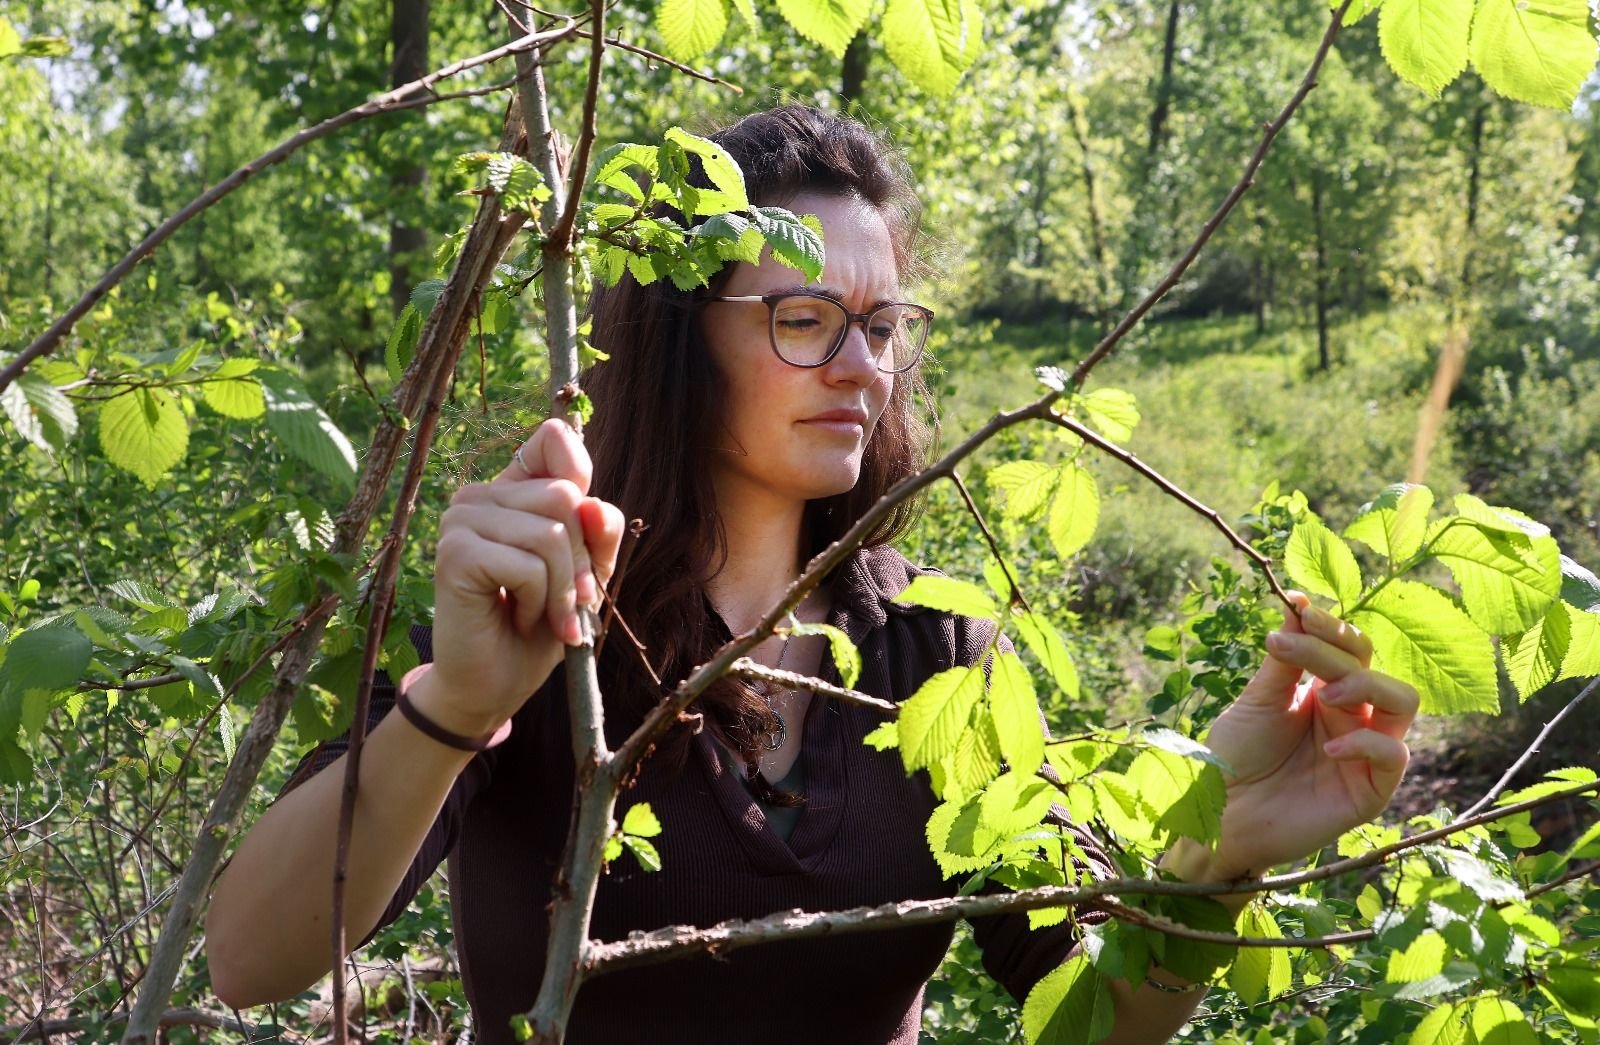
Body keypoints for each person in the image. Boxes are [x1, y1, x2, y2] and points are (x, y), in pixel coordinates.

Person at [205, 106, 1418, 1043]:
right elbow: (249, 960)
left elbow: (1090, 1016)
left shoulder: (935, 651)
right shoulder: (540, 618)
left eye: (883, 325)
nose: (862, 367)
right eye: (804, 320)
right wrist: (461, 705)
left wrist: (1213, 864)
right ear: (680, 342)